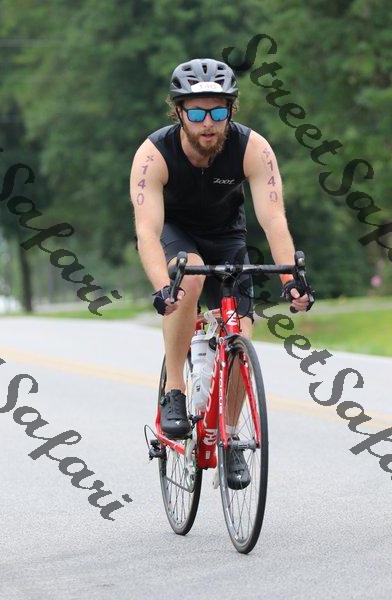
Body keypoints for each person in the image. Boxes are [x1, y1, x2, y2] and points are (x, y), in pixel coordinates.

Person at [130, 58, 309, 486]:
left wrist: (291, 281)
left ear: (232, 110)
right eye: (196, 113)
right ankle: (175, 390)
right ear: (178, 112)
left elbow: (274, 219)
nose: (208, 123)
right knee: (188, 277)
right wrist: (163, 287)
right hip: (176, 234)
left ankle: (229, 436)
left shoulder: (253, 148)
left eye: (218, 111)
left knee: (241, 333)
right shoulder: (154, 155)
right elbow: (147, 231)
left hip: (227, 236)